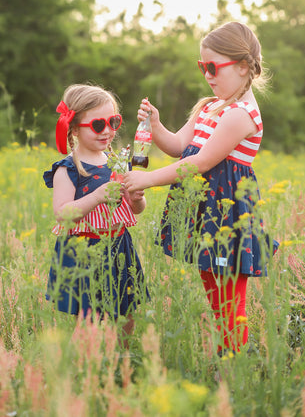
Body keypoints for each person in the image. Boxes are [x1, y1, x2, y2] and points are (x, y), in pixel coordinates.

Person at [124, 21, 278, 354]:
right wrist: (155, 123)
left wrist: (147, 179)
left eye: (212, 67)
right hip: (204, 212)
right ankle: (225, 359)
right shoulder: (209, 106)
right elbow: (180, 146)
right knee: (214, 291)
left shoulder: (241, 115)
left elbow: (201, 162)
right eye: (202, 67)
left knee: (229, 298)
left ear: (241, 66)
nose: (207, 75)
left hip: (227, 217)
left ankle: (234, 367)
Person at [43, 83, 148, 344]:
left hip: (119, 242)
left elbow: (135, 210)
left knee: (127, 309)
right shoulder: (68, 169)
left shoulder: (116, 161)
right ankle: (85, 367)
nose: (109, 131)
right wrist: (97, 196)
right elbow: (62, 213)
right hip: (84, 248)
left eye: (113, 121)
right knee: (88, 315)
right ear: (75, 128)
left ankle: (123, 357)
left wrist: (138, 197)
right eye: (99, 125)